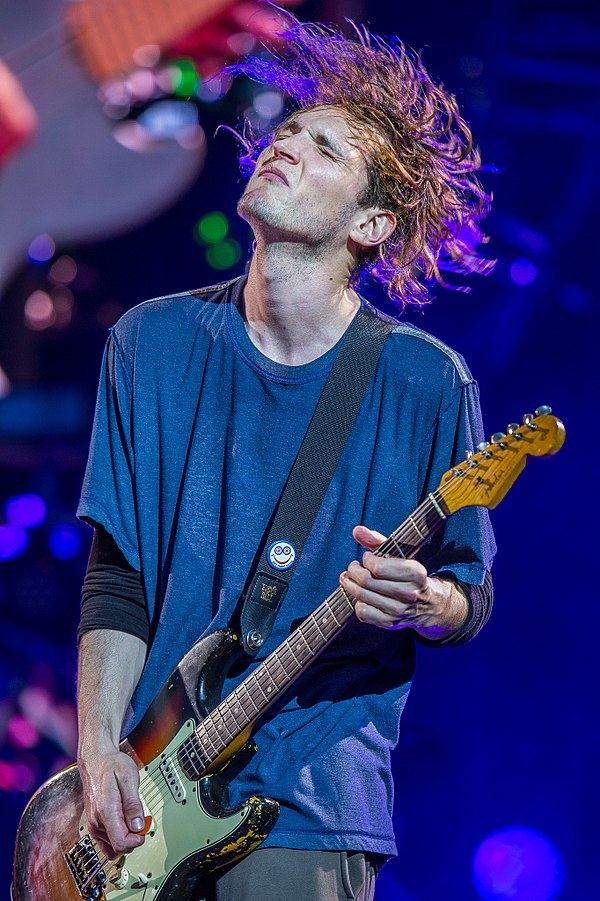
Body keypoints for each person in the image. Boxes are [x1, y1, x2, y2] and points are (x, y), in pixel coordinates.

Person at [76, 16, 496, 901]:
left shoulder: (424, 381)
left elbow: (470, 597)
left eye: (325, 149)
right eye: (288, 134)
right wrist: (96, 746)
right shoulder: (149, 342)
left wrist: (426, 599)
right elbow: (118, 580)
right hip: (144, 794)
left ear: (373, 223)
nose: (284, 148)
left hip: (308, 803)